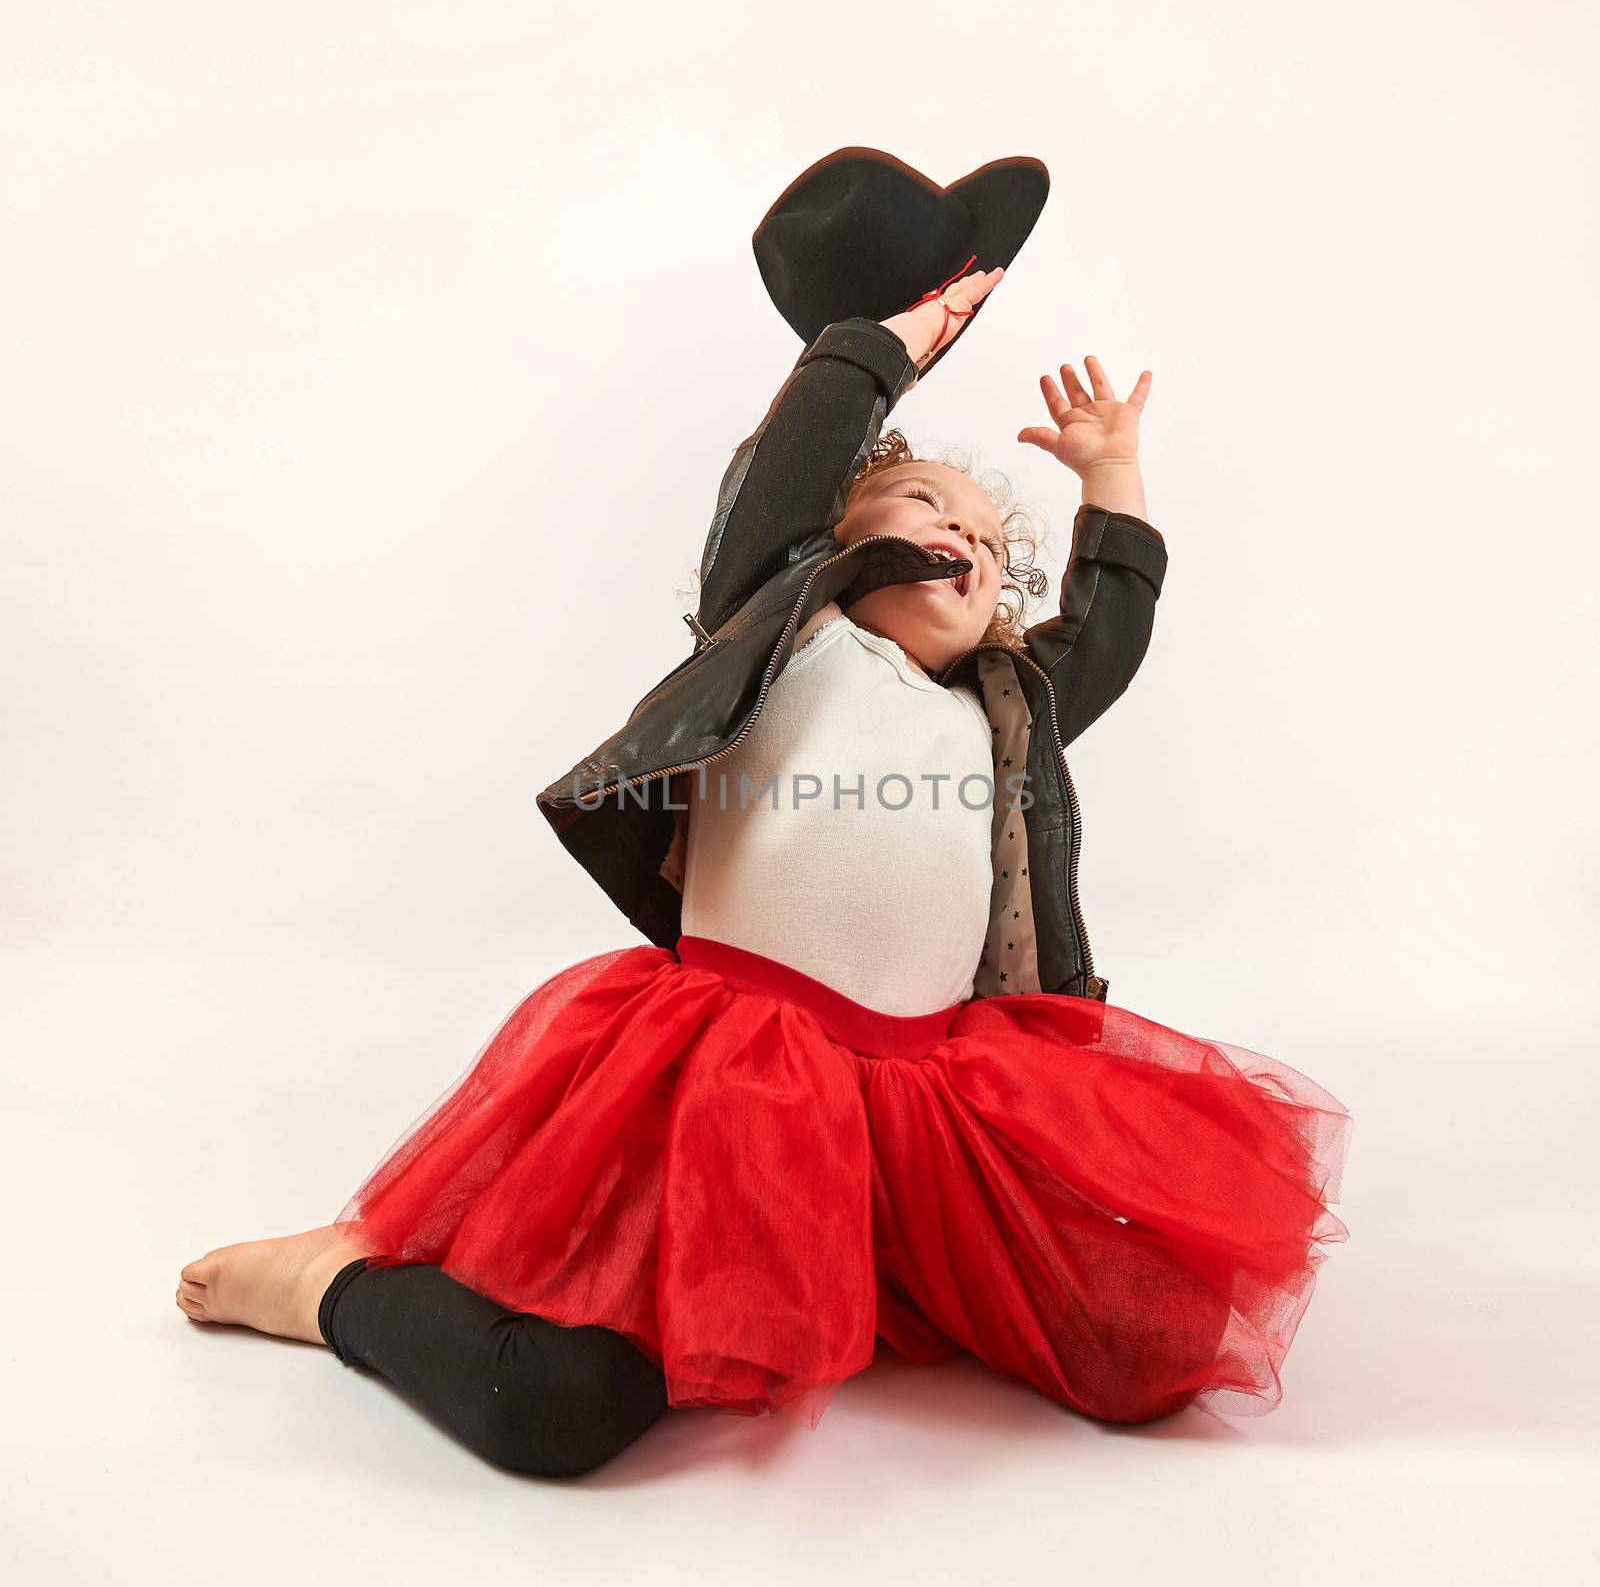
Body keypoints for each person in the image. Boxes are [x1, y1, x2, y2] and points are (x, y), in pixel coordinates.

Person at [176, 262, 1351, 1478]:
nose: (966, 534)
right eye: (921, 502)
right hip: (727, 1080)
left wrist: (1113, 476)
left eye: (995, 541)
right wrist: (888, 338)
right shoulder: (797, 637)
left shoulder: (997, 711)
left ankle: (876, 1265)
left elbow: (1101, 641)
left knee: (1146, 1351)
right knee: (564, 1407)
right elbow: (790, 477)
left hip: (920, 1105)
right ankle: (338, 1290)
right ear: (829, 539)